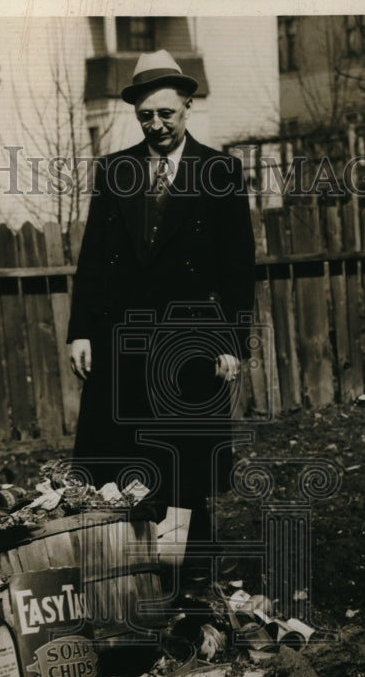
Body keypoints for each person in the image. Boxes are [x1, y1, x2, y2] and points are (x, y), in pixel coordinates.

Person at [66, 49, 256, 579]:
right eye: (146, 116)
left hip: (190, 347)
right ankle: (123, 575)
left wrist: (231, 343)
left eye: (166, 114)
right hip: (121, 344)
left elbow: (237, 268)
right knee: (118, 461)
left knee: (182, 467)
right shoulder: (115, 170)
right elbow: (93, 261)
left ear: (187, 108)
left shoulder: (220, 171)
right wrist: (81, 331)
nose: (156, 125)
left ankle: (181, 579)